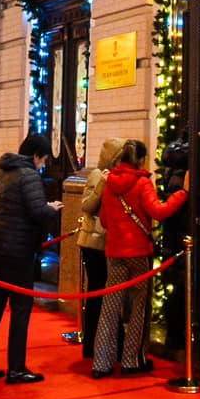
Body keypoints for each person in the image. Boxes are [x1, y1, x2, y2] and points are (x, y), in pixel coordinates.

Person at [0, 133, 62, 385]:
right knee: (21, 308)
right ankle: (17, 368)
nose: (43, 165)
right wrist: (51, 208)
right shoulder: (28, 174)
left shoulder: (5, 171)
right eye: (43, 160)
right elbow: (36, 211)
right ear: (35, 155)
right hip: (16, 249)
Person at [92, 141, 187, 379]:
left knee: (110, 307)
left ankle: (102, 362)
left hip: (114, 252)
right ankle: (131, 360)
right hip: (137, 254)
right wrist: (182, 193)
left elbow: (103, 220)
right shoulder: (142, 183)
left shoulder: (109, 182)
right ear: (141, 160)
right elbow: (159, 211)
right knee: (138, 308)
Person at [76, 138, 124, 362]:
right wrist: (103, 186)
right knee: (97, 293)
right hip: (93, 242)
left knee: (102, 294)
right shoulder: (98, 175)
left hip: (103, 241)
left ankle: (99, 343)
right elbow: (87, 205)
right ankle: (92, 344)